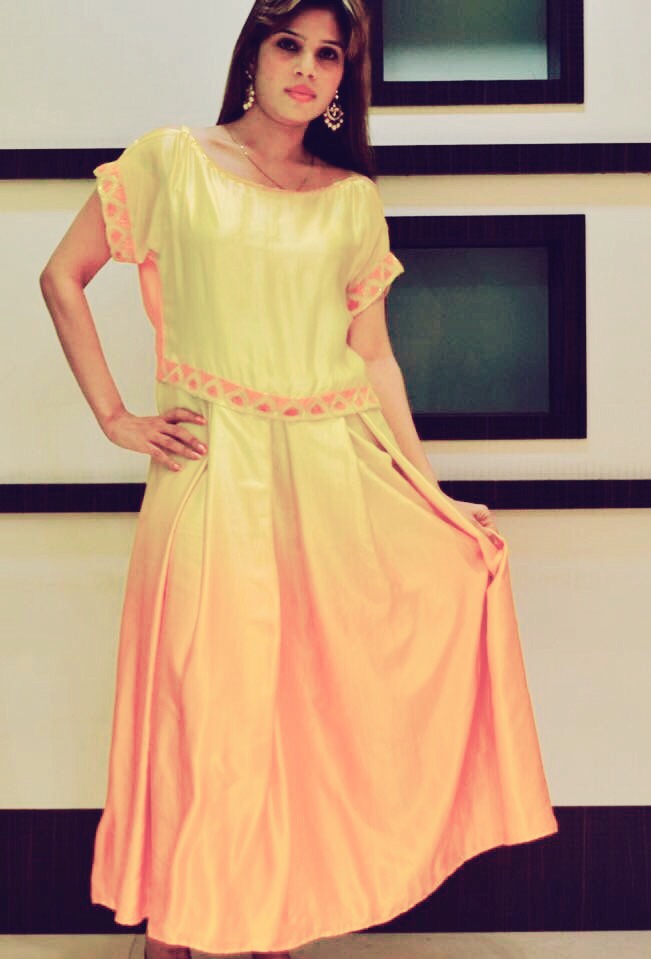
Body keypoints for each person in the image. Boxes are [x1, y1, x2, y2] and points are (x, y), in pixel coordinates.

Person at [39, 1, 558, 957]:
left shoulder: (351, 198)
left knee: (297, 716)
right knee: (206, 707)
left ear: (340, 83)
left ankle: (271, 925)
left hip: (329, 475)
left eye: (328, 55)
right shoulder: (170, 161)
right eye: (290, 45)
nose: (307, 69)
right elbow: (61, 274)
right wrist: (117, 417)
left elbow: (374, 358)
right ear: (255, 53)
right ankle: (176, 932)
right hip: (213, 467)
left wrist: (430, 492)